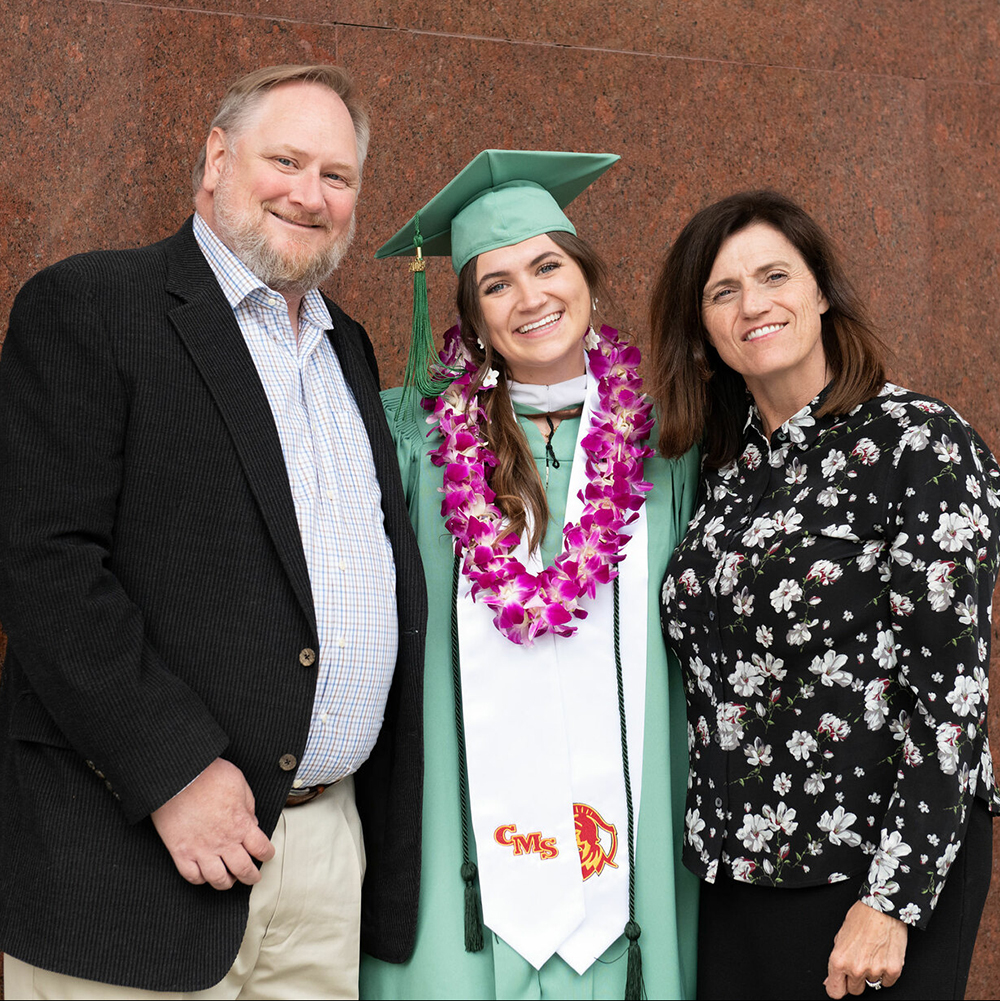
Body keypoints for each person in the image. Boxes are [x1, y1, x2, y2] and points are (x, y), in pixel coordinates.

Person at [0, 64, 425, 999]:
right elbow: (43, 565)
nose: (310, 195)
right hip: (137, 849)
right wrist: (174, 770)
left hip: (320, 857)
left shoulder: (347, 347)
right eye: (286, 159)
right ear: (216, 157)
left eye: (338, 176)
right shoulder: (93, 307)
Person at [360, 149, 700, 1000]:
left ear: (588, 279)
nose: (531, 297)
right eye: (497, 284)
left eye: (547, 265)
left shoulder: (670, 449)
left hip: (630, 831)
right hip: (460, 835)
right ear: (472, 317)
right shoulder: (418, 443)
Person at [649, 189, 1000, 1000]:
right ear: (700, 325)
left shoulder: (919, 442)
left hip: (870, 871)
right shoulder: (722, 471)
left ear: (820, 292)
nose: (754, 304)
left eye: (775, 275)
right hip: (736, 871)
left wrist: (892, 899)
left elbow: (950, 700)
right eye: (722, 291)